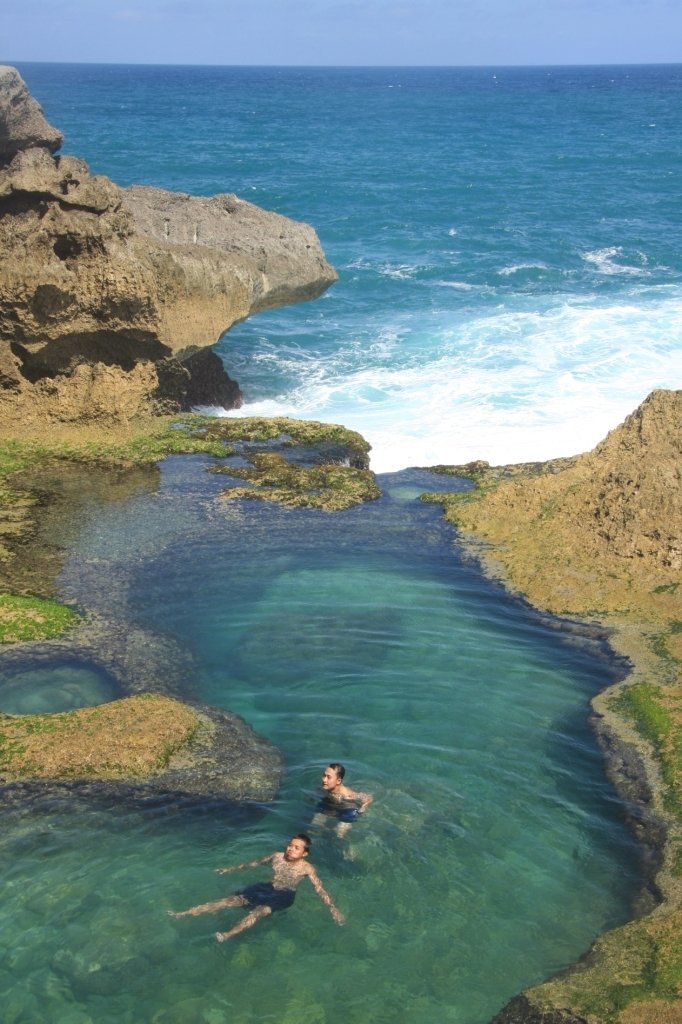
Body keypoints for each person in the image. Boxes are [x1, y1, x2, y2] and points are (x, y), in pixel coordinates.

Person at [167, 834, 344, 942]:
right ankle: (184, 914)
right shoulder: (277, 856)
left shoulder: (307, 868)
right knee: (227, 901)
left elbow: (319, 889)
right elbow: (255, 863)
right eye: (290, 845)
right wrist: (231, 868)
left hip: (283, 896)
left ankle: (228, 934)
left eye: (296, 848)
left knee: (259, 912)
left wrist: (333, 909)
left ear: (304, 853)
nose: (290, 849)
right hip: (266, 888)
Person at [313, 763, 373, 838]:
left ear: (338, 781)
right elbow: (317, 790)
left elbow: (369, 798)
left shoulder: (346, 795)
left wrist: (362, 809)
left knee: (338, 835)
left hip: (348, 811)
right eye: (324, 775)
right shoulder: (325, 787)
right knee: (314, 826)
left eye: (329, 777)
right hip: (332, 806)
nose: (324, 780)